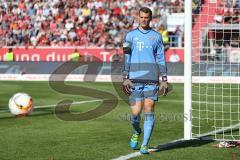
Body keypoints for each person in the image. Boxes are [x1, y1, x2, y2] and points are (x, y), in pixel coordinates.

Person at [122, 7, 168, 154]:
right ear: (138, 18)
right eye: (141, 17)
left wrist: (164, 79)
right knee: (135, 113)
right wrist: (125, 77)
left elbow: (161, 58)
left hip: (151, 79)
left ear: (150, 18)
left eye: (146, 17)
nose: (144, 20)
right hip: (134, 79)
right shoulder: (130, 36)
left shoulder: (157, 36)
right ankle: (137, 131)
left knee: (149, 109)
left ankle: (145, 145)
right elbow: (127, 57)